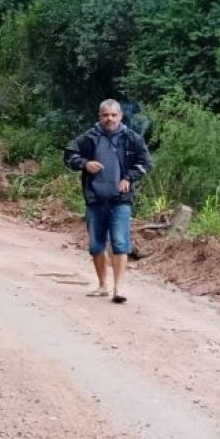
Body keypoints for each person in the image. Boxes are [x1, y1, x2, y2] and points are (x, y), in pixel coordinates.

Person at [64, 99, 153, 304]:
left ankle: (118, 288)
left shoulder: (132, 138)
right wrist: (85, 164)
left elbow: (146, 163)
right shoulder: (89, 137)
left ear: (121, 116)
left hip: (120, 200)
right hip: (95, 199)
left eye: (113, 115)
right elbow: (69, 155)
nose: (109, 119)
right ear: (100, 117)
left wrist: (128, 178)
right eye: (105, 115)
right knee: (96, 245)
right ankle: (103, 285)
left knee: (121, 243)